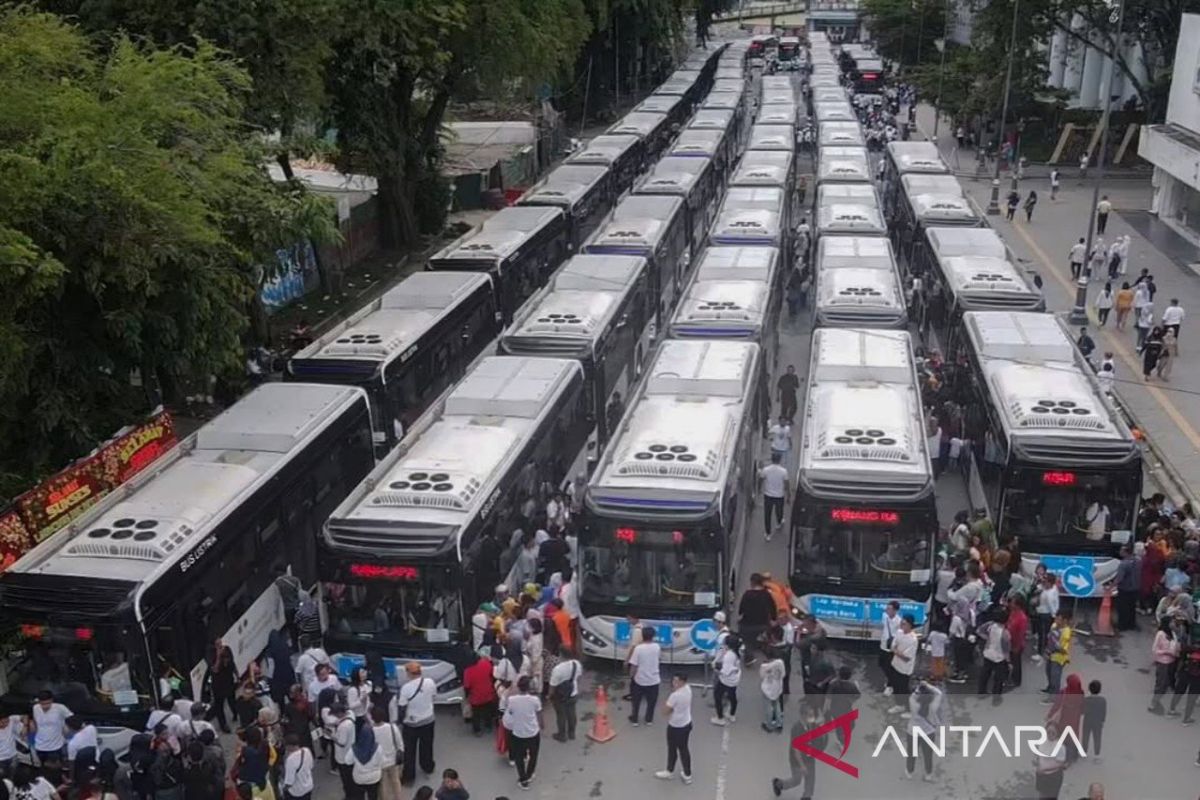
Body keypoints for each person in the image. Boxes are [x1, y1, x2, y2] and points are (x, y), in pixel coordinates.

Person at [396, 663, 437, 786]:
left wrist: (400, 721)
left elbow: (402, 707)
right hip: (428, 720)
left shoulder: (406, 688)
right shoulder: (430, 682)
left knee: (409, 751)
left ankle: (409, 777)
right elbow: (433, 697)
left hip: (411, 723)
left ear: (408, 673)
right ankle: (428, 766)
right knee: (427, 746)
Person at [771, 703, 823, 798]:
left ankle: (806, 796)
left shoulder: (811, 725)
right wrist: (802, 765)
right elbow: (796, 750)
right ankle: (779, 784)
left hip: (809, 757)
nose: (812, 718)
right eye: (810, 715)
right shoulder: (797, 729)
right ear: (803, 715)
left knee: (810, 779)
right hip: (797, 761)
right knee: (796, 780)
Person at [503, 677, 541, 790]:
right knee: (534, 755)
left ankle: (523, 780)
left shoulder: (512, 700)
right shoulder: (535, 700)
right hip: (533, 732)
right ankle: (530, 773)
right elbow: (539, 714)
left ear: (518, 687)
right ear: (529, 687)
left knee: (519, 757)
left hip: (518, 733)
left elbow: (509, 712)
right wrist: (541, 725)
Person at [655, 674, 693, 784]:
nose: (674, 683)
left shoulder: (675, 696)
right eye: (674, 680)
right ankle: (687, 774)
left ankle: (669, 771)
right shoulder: (688, 689)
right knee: (684, 749)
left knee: (672, 748)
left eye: (676, 681)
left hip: (676, 726)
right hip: (687, 723)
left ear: (682, 682)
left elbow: (665, 712)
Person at [29, 690, 71, 785]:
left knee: (57, 768)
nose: (45, 706)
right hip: (40, 745)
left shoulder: (60, 708)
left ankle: (59, 783)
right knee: (43, 768)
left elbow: (72, 718)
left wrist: (66, 727)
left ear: (52, 700)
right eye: (42, 704)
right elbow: (34, 721)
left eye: (48, 703)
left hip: (56, 745)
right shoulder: (35, 708)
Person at [903, 681, 943, 782]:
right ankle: (928, 774)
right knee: (928, 754)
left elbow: (913, 695)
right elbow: (939, 693)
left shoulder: (913, 703)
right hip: (928, 732)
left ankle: (909, 771)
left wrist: (920, 687)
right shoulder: (933, 706)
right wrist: (929, 685)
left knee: (911, 753)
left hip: (913, 732)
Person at [627, 627, 662, 726]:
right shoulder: (657, 647)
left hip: (640, 680)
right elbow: (659, 658)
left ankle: (635, 719)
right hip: (654, 680)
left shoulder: (639, 648)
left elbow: (634, 665)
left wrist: (631, 675)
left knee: (636, 701)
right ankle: (649, 719)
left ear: (642, 636)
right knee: (651, 702)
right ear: (653, 636)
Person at [1046, 674, 1085, 763]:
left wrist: (1050, 715)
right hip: (1075, 719)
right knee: (1073, 736)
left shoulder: (1064, 692)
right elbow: (1083, 706)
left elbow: (1057, 705)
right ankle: (1073, 756)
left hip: (1064, 718)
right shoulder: (1080, 692)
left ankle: (1063, 757)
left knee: (1063, 737)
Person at [738, 574, 777, 661]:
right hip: (763, 625)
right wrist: (773, 619)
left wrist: (740, 616)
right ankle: (770, 657)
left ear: (752, 582)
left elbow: (741, 610)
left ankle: (749, 657)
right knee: (767, 639)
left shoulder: (747, 594)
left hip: (747, 625)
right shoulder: (766, 594)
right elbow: (773, 607)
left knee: (746, 641)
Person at [547, 646, 580, 742]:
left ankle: (562, 735)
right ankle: (572, 733)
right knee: (572, 713)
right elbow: (578, 677)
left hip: (560, 696)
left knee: (561, 715)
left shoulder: (558, 669)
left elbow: (552, 685)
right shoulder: (576, 664)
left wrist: (549, 696)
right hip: (573, 692)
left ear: (561, 655)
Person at [886, 615, 918, 713]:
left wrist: (896, 651)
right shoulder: (899, 633)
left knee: (904, 690)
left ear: (909, 625)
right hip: (895, 664)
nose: (901, 625)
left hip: (905, 669)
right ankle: (899, 705)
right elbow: (892, 646)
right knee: (896, 687)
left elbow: (907, 657)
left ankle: (909, 710)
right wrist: (897, 651)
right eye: (901, 623)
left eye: (904, 624)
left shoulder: (913, 639)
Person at [1148, 618, 1181, 714]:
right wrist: (1166, 652)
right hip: (1163, 662)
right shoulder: (1161, 634)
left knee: (1166, 684)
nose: (1173, 623)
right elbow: (1155, 649)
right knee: (1160, 683)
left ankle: (1158, 701)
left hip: (1172, 661)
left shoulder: (1173, 633)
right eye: (1171, 622)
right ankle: (1153, 703)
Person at [461, 653, 497, 736]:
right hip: (488, 693)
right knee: (487, 710)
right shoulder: (486, 663)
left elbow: (467, 686)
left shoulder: (468, 670)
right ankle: (488, 726)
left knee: (476, 713)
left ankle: (477, 730)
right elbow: (492, 676)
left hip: (476, 696)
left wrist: (467, 696)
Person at [371, 708, 402, 800]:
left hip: (380, 762)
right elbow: (399, 743)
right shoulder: (392, 727)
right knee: (396, 781)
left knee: (383, 784)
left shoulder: (371, 730)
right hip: (393, 760)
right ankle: (398, 798)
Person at [711, 633, 743, 726]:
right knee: (732, 696)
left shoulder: (729, 656)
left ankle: (720, 718)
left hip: (726, 680)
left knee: (717, 695)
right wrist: (721, 649)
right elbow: (721, 649)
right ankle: (731, 714)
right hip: (735, 679)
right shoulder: (737, 651)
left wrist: (715, 668)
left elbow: (725, 671)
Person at [1042, 612, 1073, 702]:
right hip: (1050, 654)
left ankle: (1054, 696)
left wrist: (1055, 646)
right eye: (1056, 618)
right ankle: (1050, 688)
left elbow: (1063, 649)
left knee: (1055, 676)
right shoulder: (1054, 625)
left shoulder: (1066, 632)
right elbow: (1049, 638)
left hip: (1058, 657)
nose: (1056, 620)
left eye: (1058, 619)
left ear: (1065, 620)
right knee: (1048, 672)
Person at [826, 666, 860, 748]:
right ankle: (841, 741)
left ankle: (840, 739)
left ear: (839, 675)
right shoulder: (852, 686)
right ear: (850, 676)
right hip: (846, 709)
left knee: (839, 726)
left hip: (835, 709)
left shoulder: (833, 684)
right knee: (851, 724)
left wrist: (827, 710)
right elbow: (857, 696)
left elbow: (828, 699)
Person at [350, 716, 383, 800]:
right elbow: (381, 761)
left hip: (359, 778)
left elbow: (348, 761)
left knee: (359, 796)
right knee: (373, 795)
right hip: (374, 777)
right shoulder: (377, 747)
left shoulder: (354, 748)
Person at [758, 453, 789, 541]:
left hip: (768, 495)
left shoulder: (766, 470)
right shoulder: (784, 471)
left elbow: (761, 479)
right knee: (779, 511)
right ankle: (779, 522)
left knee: (767, 514)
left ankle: (768, 534)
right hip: (779, 495)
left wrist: (759, 489)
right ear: (780, 460)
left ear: (772, 459)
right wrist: (788, 495)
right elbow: (787, 484)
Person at [1033, 723, 1068, 799]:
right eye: (1048, 732)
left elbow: (1060, 763)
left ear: (1057, 733)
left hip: (1053, 777)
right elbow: (1039, 755)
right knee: (1042, 795)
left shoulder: (1060, 747)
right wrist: (1037, 763)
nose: (1050, 734)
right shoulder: (1042, 742)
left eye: (1053, 733)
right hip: (1041, 775)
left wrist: (1045, 769)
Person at [878, 601, 903, 694]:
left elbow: (900, 634)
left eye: (890, 609)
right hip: (883, 644)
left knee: (890, 666)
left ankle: (890, 685)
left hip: (892, 647)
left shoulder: (899, 621)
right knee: (881, 664)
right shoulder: (885, 616)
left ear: (895, 610)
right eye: (887, 608)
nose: (887, 610)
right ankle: (890, 679)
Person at [1113, 545, 1139, 630]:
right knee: (1132, 607)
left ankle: (1122, 626)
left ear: (1125, 552)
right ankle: (1131, 624)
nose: (1120, 552)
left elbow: (1119, 578)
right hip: (1135, 588)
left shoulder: (1124, 564)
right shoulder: (1138, 561)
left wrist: (1112, 585)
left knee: (1123, 608)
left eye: (1121, 551)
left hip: (1125, 588)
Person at [280, 735, 314, 800]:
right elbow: (311, 766)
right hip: (309, 786)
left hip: (297, 791)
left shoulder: (290, 760)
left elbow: (289, 781)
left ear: (290, 746)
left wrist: (284, 789)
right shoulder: (306, 750)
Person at [759, 650, 785, 733]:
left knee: (768, 707)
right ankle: (779, 724)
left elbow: (762, 676)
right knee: (777, 705)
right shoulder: (780, 663)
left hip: (768, 689)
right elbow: (783, 674)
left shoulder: (764, 666)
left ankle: (769, 725)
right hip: (778, 687)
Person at [1007, 596, 1029, 688]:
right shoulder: (1012, 613)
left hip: (1017, 644)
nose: (1011, 604)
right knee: (1011, 661)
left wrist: (1017, 646)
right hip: (1010, 642)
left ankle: (1016, 680)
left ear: (1018, 605)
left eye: (1013, 603)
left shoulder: (1022, 618)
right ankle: (1010, 677)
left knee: (1016, 663)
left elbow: (1021, 634)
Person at [1081, 680, 1106, 761]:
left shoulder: (1086, 700)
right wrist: (1102, 720)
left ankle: (1084, 752)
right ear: (1100, 690)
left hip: (1087, 721)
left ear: (1089, 689)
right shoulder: (1103, 700)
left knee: (1085, 736)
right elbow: (1104, 711)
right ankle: (1097, 755)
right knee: (1097, 738)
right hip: (1098, 722)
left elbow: (1083, 711)